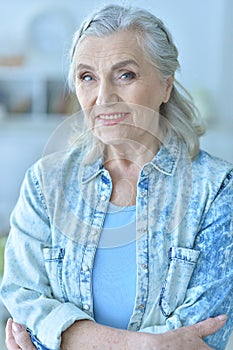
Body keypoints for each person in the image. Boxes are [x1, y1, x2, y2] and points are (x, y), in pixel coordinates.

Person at [1, 4, 233, 350]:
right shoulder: (45, 181)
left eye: (125, 75)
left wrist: (63, 338)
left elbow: (204, 335)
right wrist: (148, 345)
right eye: (87, 77)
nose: (104, 98)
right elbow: (23, 301)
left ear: (166, 85)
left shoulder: (216, 188)